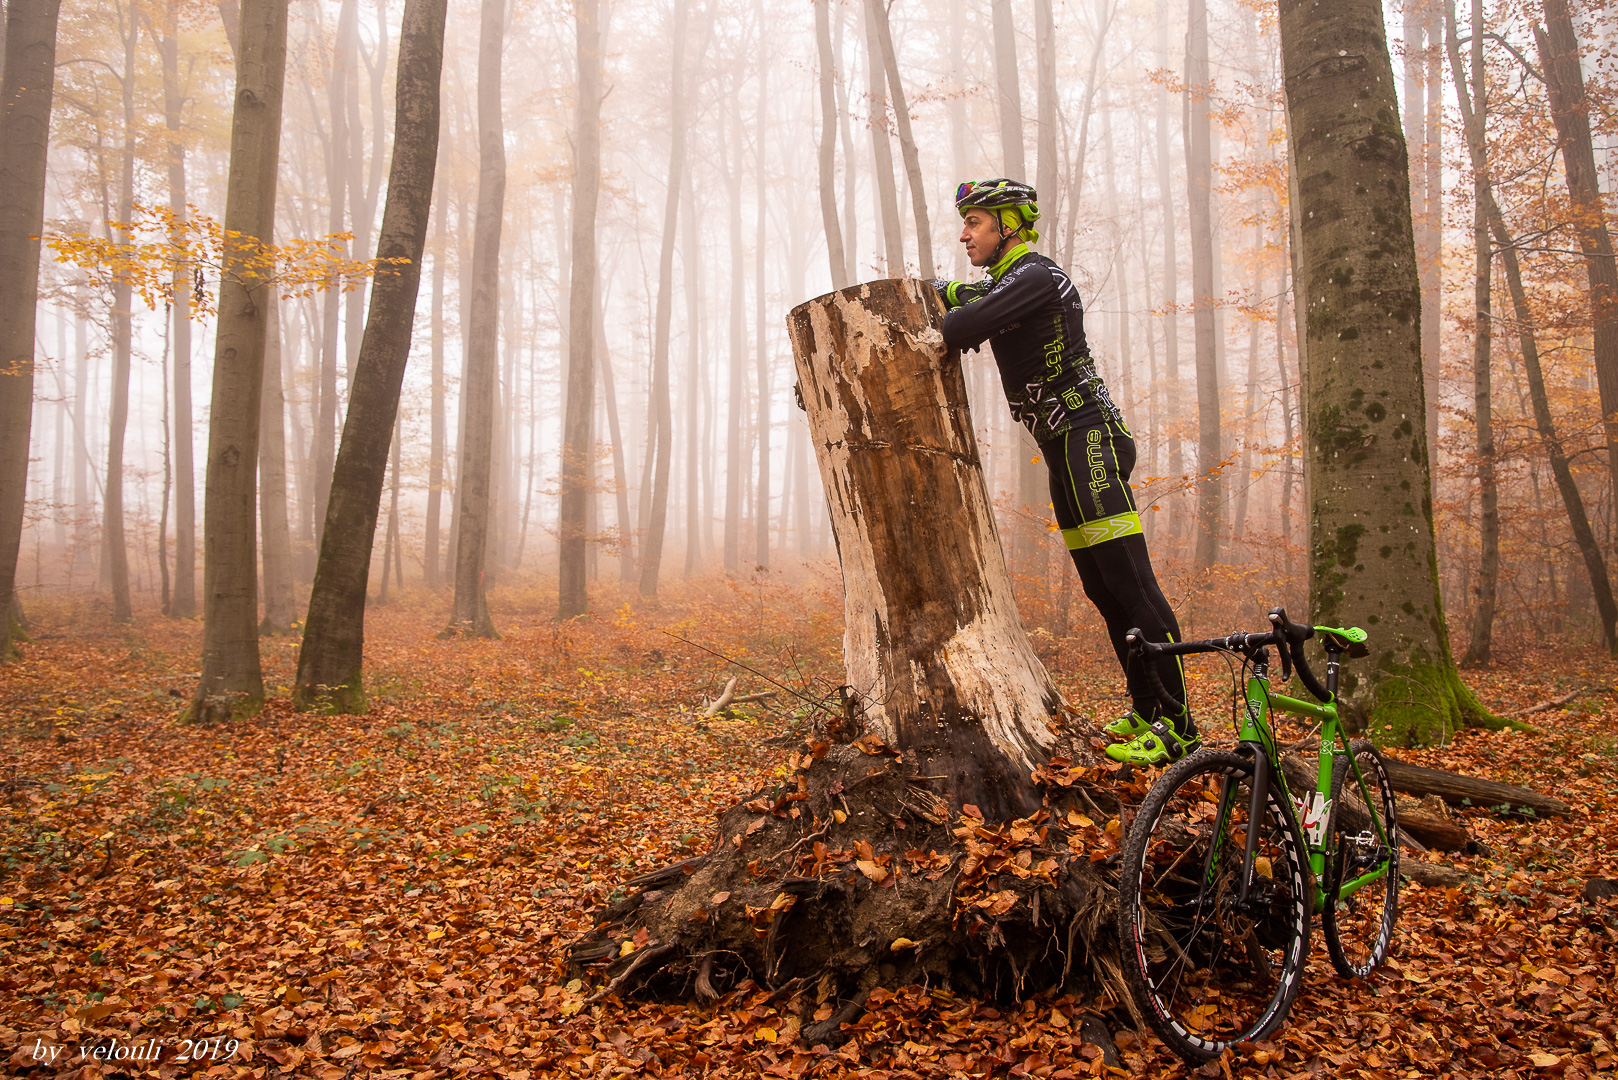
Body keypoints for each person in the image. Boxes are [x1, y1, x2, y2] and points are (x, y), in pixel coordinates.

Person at [930, 178, 1196, 766]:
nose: (963, 233)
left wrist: (947, 297)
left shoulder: (1035, 276)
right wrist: (946, 289)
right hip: (1062, 445)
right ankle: (1147, 711)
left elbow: (959, 327)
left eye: (975, 221)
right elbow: (971, 297)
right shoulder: (1010, 281)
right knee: (1103, 590)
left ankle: (1179, 725)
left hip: (1089, 436)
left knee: (1131, 582)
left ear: (1010, 224)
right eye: (965, 222)